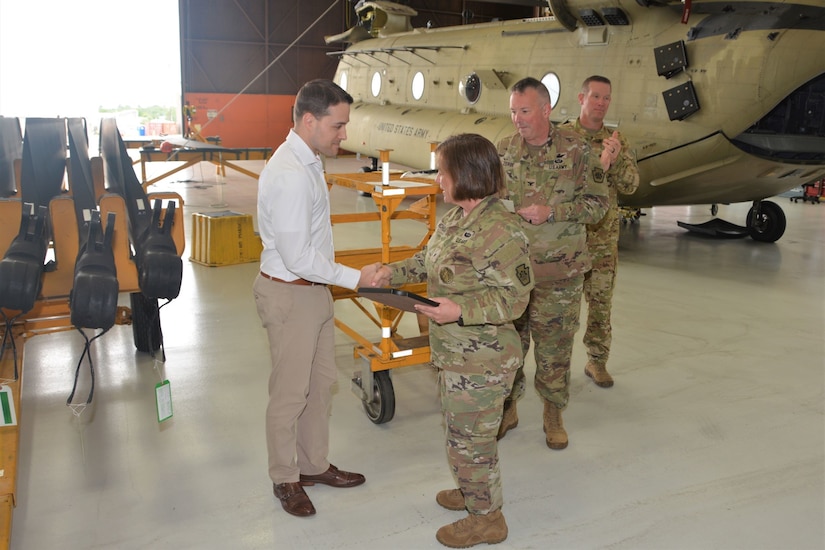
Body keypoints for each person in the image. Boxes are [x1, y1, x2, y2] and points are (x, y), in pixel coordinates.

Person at [370, 134, 533, 548]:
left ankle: (487, 519)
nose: (438, 180)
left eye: (442, 172)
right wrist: (393, 272)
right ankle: (471, 491)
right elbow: (428, 259)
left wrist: (459, 310)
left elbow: (514, 299)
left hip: (483, 360)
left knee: (472, 442)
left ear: (466, 174)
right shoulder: (459, 216)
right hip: (456, 355)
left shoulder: (500, 229)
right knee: (461, 436)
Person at [252, 79, 379, 518]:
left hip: (313, 292)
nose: (343, 134)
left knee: (320, 385)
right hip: (291, 295)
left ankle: (313, 465)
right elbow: (296, 256)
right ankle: (285, 478)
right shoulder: (289, 174)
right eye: (337, 125)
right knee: (289, 394)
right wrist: (355, 278)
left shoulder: (308, 161)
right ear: (310, 120)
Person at [496, 77, 609, 449]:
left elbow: (598, 206)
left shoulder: (577, 150)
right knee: (510, 345)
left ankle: (553, 412)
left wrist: (553, 212)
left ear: (545, 109)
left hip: (560, 272)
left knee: (555, 348)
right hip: (512, 273)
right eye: (513, 111)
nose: (517, 119)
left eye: (524, 111)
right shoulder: (503, 150)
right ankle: (508, 407)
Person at [562, 75, 640, 388]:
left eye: (606, 98)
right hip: (568, 241)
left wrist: (617, 160)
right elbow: (558, 184)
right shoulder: (564, 137)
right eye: (595, 97)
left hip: (604, 242)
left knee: (600, 307)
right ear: (581, 98)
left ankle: (597, 361)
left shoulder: (617, 140)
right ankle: (556, 367)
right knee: (563, 310)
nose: (601, 104)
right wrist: (600, 163)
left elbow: (632, 185)